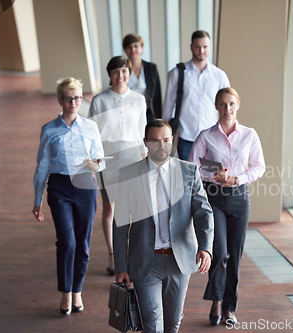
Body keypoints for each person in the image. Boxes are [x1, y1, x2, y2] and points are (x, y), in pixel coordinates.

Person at [113, 119, 214, 333]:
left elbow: (203, 213)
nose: (162, 146)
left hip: (180, 261)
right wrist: (121, 265)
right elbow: (120, 223)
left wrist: (205, 248)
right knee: (152, 324)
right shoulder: (129, 174)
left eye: (166, 140)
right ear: (145, 143)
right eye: (155, 141)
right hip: (146, 261)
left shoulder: (189, 172)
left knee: (173, 322)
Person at [189, 87, 265, 326]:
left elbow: (259, 167)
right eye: (222, 104)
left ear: (238, 105)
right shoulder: (206, 136)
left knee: (235, 255)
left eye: (231, 104)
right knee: (220, 253)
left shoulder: (249, 135)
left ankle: (230, 307)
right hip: (214, 198)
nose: (227, 109)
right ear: (216, 107)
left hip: (240, 198)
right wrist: (215, 174)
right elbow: (192, 167)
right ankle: (216, 299)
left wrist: (236, 179)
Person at [32, 77, 105, 316]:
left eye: (77, 98)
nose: (73, 102)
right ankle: (65, 292)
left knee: (82, 244)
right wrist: (37, 199)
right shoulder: (49, 130)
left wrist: (94, 165)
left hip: (85, 186)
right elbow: (42, 166)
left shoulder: (90, 127)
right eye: (68, 98)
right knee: (67, 242)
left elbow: (100, 162)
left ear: (81, 99)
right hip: (60, 187)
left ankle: (77, 291)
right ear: (60, 100)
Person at [88, 56, 147, 276]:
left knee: (131, 209)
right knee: (110, 207)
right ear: (109, 74)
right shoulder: (99, 100)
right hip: (108, 157)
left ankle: (130, 252)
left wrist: (145, 158)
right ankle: (113, 254)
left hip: (133, 156)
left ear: (129, 73)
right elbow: (92, 132)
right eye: (116, 71)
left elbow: (143, 132)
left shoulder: (139, 99)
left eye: (124, 71)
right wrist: (94, 159)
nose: (120, 76)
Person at [162, 30, 230, 161]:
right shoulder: (177, 74)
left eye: (205, 47)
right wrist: (164, 136)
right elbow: (168, 106)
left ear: (210, 47)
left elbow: (227, 105)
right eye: (198, 47)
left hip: (212, 138)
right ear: (191, 47)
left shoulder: (219, 76)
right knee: (185, 178)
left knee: (211, 179)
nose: (201, 51)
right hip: (185, 137)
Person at [123, 33, 162, 122]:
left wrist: (159, 119)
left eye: (136, 46)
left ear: (142, 48)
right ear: (125, 50)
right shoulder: (121, 69)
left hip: (147, 113)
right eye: (129, 47)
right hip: (127, 114)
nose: (133, 49)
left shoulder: (151, 68)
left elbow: (157, 96)